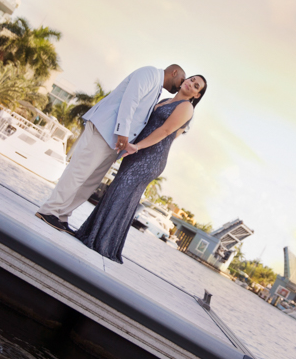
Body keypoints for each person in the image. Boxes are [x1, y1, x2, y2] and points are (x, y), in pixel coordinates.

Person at [35, 64, 186, 232]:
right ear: (174, 72)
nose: (181, 85)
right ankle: (48, 210)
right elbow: (131, 100)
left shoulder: (158, 88)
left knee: (90, 182)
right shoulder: (149, 73)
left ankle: (62, 215)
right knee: (79, 173)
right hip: (104, 129)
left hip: (114, 142)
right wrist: (123, 132)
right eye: (182, 80)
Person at [74, 75, 206, 263]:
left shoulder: (186, 107)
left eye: (196, 86)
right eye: (191, 79)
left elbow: (167, 132)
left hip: (150, 156)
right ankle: (95, 236)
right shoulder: (165, 100)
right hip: (137, 151)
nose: (190, 83)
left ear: (197, 94)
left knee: (122, 193)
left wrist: (138, 147)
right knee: (118, 192)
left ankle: (101, 242)